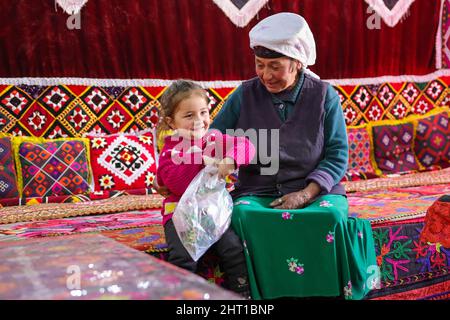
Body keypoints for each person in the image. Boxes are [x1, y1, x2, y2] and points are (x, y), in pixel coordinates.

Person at [210, 12, 378, 300]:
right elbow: (213, 137)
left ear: (298, 63)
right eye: (260, 65)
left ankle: (326, 294)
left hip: (316, 190)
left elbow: (338, 154)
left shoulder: (325, 96)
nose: (265, 75)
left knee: (330, 215)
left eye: (275, 66)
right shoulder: (244, 94)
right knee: (244, 214)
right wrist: (220, 156)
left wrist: (306, 193)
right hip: (258, 190)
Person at [156, 79, 256, 298]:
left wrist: (230, 159)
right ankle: (183, 297)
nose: (199, 121)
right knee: (184, 256)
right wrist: (201, 156)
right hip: (180, 214)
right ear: (172, 122)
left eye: (203, 112)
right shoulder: (169, 152)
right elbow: (179, 185)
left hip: (212, 212)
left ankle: (243, 294)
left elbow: (247, 146)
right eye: (189, 116)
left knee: (233, 248)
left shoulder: (213, 138)